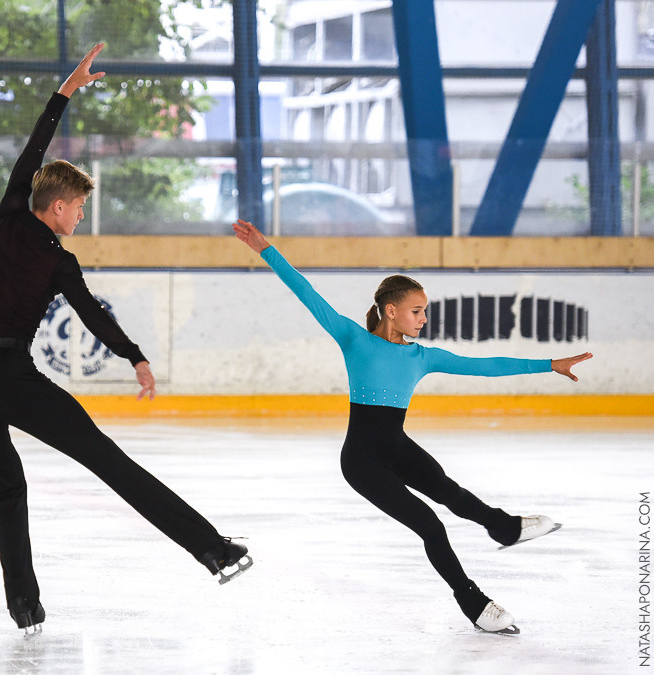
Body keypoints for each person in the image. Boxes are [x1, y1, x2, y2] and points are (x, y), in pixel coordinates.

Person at [0, 43, 251, 634]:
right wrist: (133, 355)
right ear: (57, 205)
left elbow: (90, 311)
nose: (80, 216)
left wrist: (65, 92)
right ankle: (211, 548)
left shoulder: (12, 218)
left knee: (8, 491)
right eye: (79, 207)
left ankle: (24, 608)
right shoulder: (57, 256)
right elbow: (93, 316)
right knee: (107, 460)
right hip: (9, 379)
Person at [232, 218, 591, 635]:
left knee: (451, 493)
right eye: (416, 311)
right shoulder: (353, 339)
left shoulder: (421, 356)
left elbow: (485, 367)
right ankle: (476, 606)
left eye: (425, 312)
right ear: (391, 311)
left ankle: (507, 527)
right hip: (363, 465)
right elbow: (306, 293)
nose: (423, 319)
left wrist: (549, 364)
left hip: (397, 448)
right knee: (431, 526)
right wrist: (265, 249)